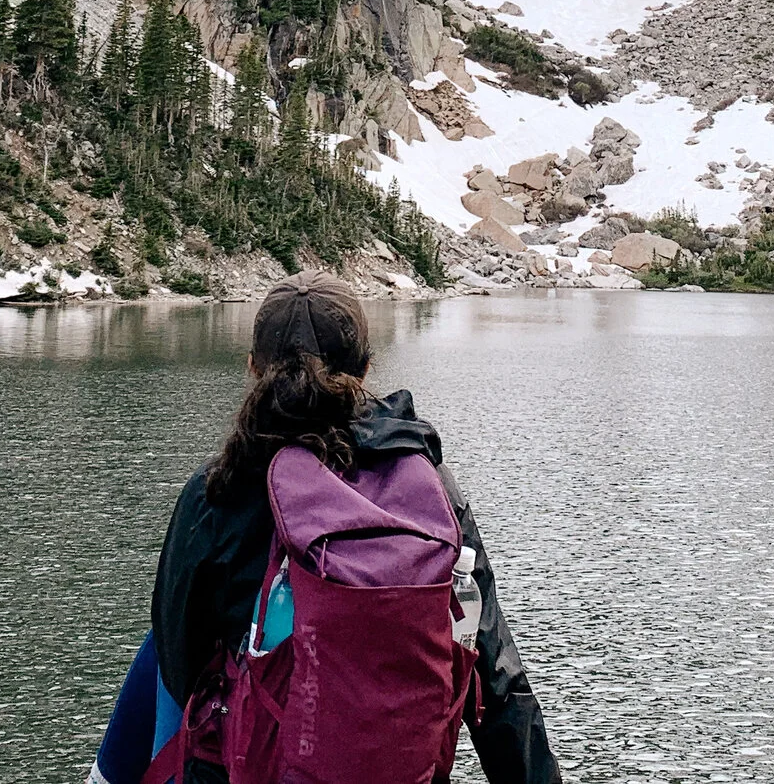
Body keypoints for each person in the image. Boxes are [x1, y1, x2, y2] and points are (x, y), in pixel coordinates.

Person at [91, 272, 561, 784]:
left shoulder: (219, 488)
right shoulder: (431, 487)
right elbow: (496, 678)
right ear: (365, 367)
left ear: (253, 368)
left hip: (250, 767)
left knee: (154, 650)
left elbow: (179, 666)